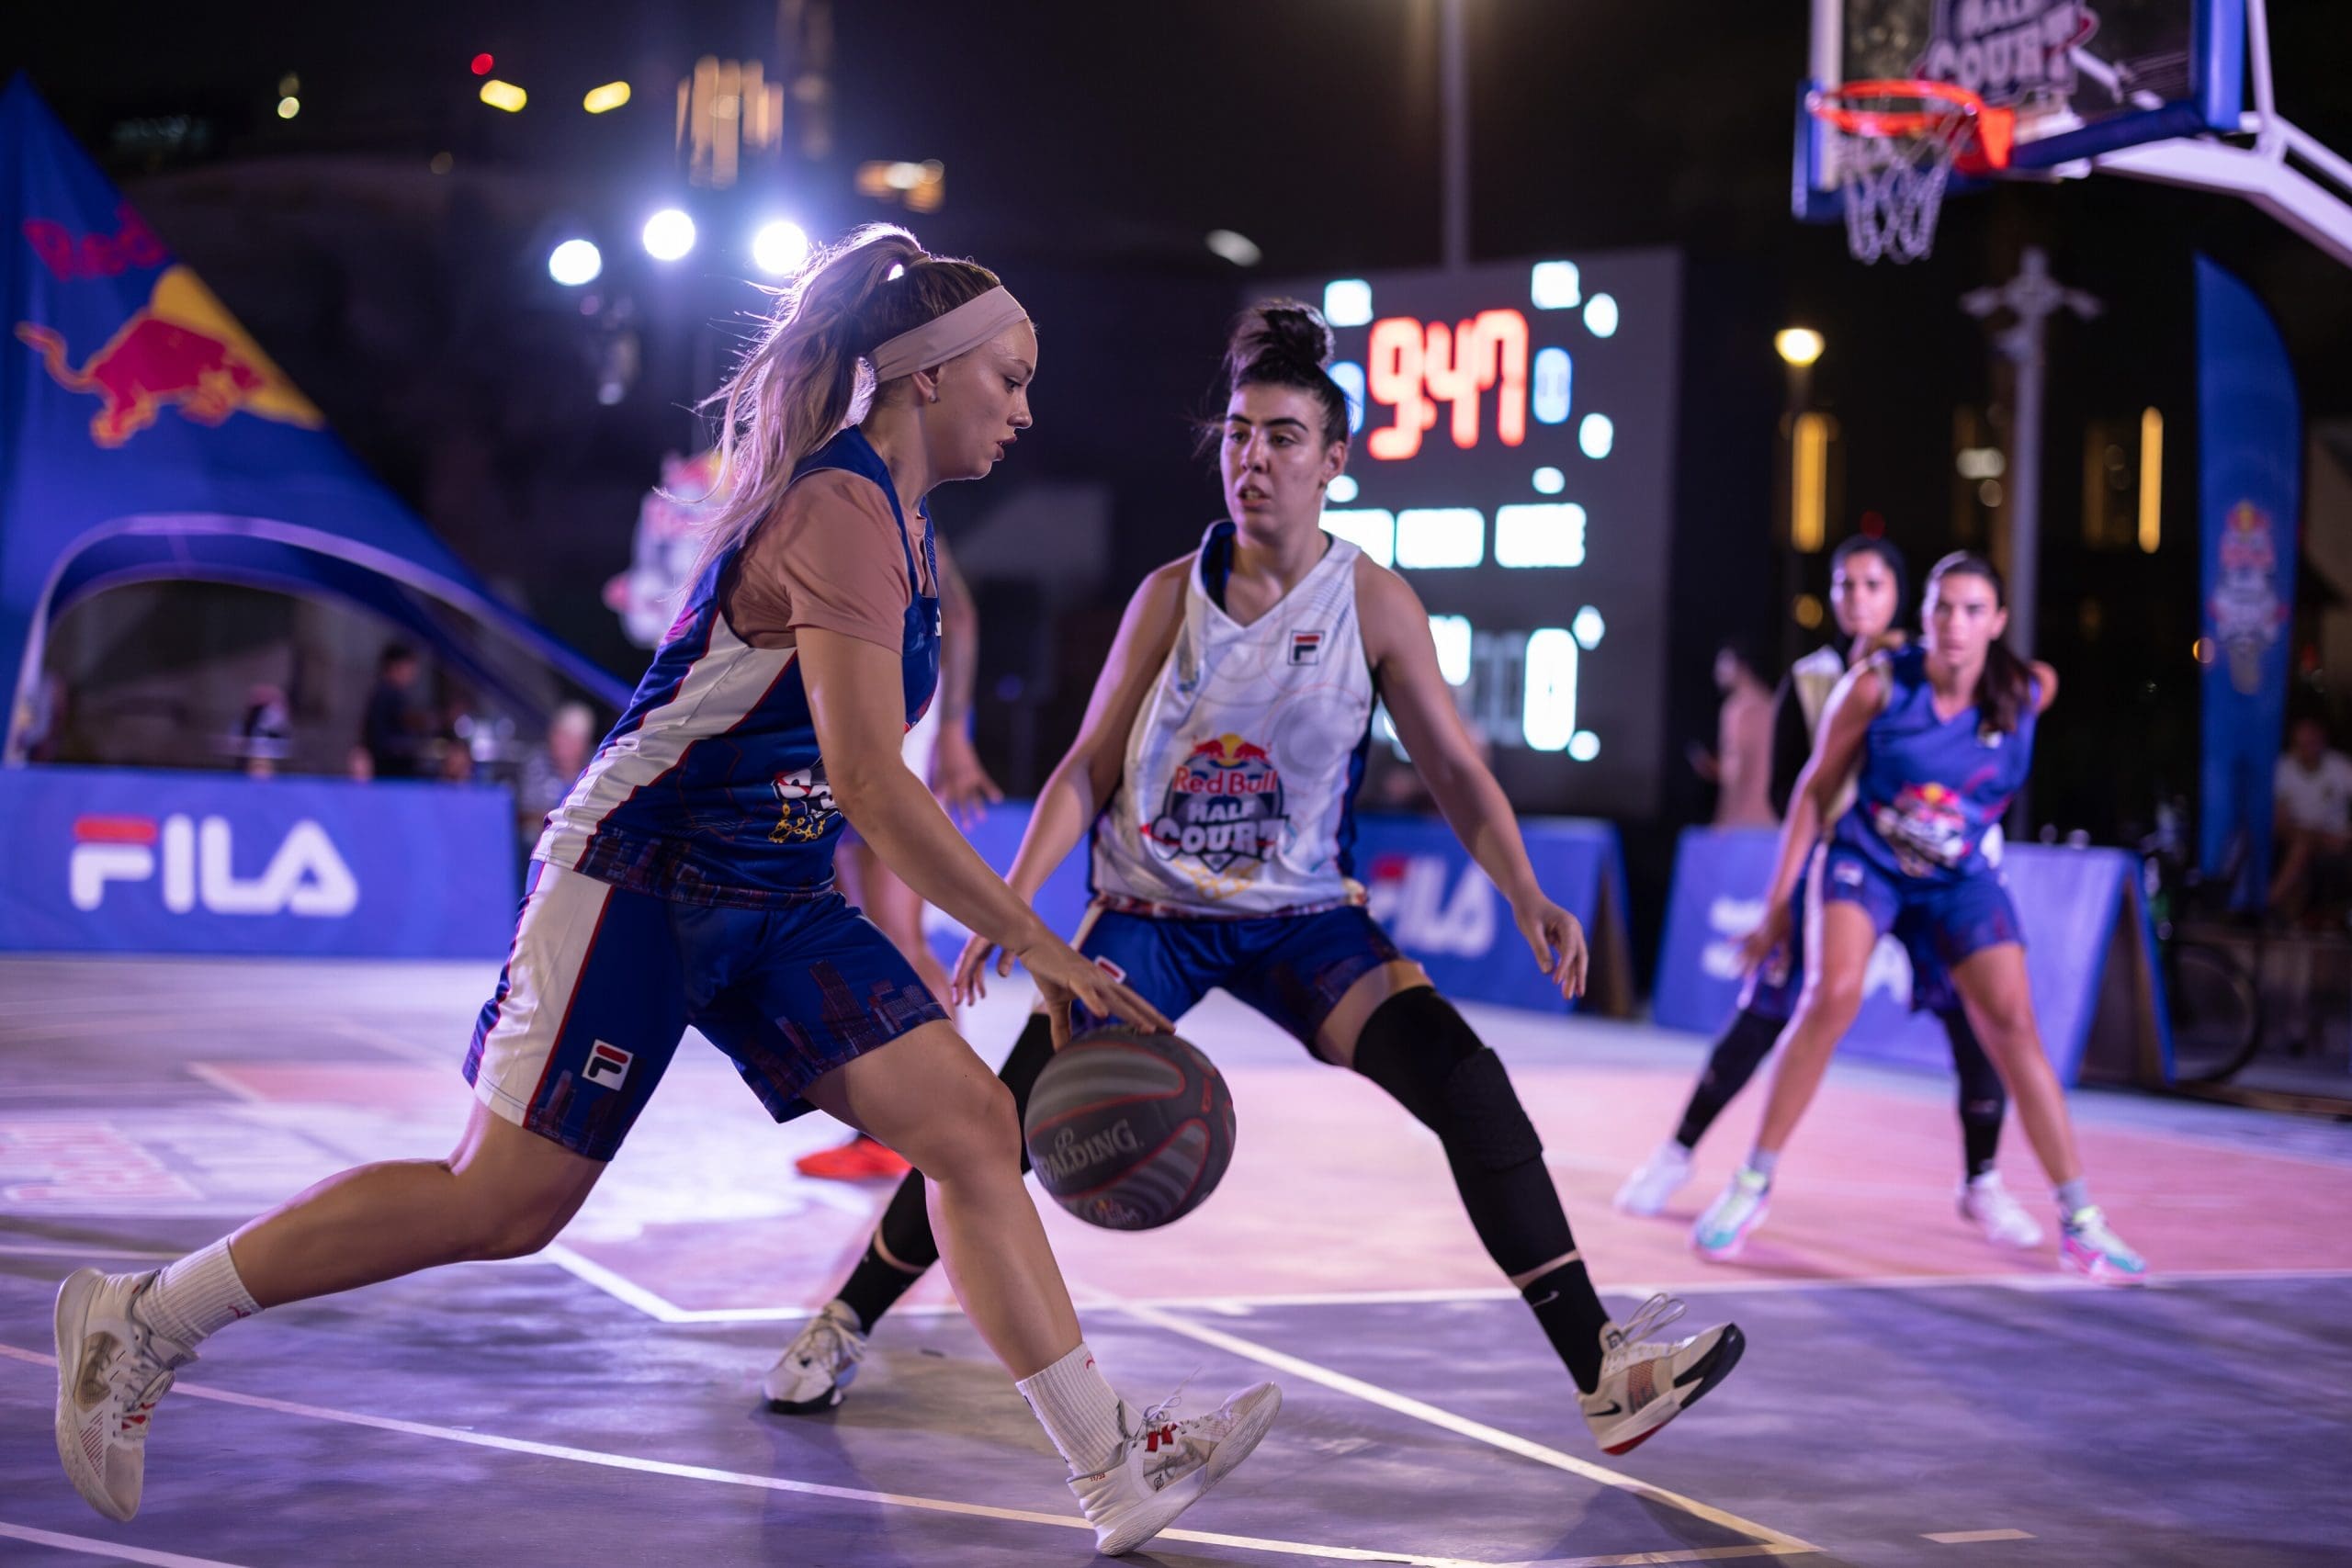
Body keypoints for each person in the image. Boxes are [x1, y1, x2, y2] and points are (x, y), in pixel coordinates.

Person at [51, 224, 1278, 1557]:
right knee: (503, 1203)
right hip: (643, 870)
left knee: (975, 1128)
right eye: (1012, 378)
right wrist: (1035, 938)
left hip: (776, 887)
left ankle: (1108, 1461)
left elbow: (854, 784)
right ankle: (146, 1317)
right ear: (928, 373)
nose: (1027, 410)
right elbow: (873, 782)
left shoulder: (911, 529)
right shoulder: (840, 509)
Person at [762, 300, 1745, 1456]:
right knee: (996, 1129)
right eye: (1237, 433)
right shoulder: (1168, 595)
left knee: (1467, 1084)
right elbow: (1084, 769)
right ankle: (842, 1319)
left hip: (1302, 920)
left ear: (1333, 461)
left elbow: (1454, 771)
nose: (1253, 458)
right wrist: (1018, 913)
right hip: (1152, 915)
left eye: (1282, 437)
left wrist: (1525, 890)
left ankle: (1603, 1370)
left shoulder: (1372, 601)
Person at [1687, 552, 2148, 1283]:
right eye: (1942, 608)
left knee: (2013, 1024)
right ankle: (1751, 1183)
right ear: (1924, 615)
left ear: (1997, 621)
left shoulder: (2026, 691)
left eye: (1973, 610)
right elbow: (1812, 790)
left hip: (1958, 877)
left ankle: (2080, 1221)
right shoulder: (1875, 686)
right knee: (1831, 994)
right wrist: (1779, 904)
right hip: (1867, 862)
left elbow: (2033, 696)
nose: (1955, 624)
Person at [1617, 536, 2038, 1250]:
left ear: (1902, 597)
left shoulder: (1941, 666)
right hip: (1847, 869)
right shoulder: (1816, 679)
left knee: (1977, 1020)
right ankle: (1679, 1152)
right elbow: (1794, 786)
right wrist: (1812, 863)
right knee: (1767, 1009)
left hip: (1937, 874)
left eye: (1873, 585)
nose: (1856, 598)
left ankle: (1983, 1180)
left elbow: (2001, 738)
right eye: (1844, 585)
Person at [799, 536, 1004, 1181]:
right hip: (857, 731)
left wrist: (953, 734)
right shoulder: (854, 504)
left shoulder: (887, 506)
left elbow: (959, 615)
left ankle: (949, 1117)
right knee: (873, 937)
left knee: (898, 938)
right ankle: (900, 1125)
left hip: (891, 735)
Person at [2268, 715, 2352, 917]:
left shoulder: (2341, 767)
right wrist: (2306, 834)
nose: (2307, 749)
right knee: (2303, 845)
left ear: (2322, 741)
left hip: (2333, 837)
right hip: (2295, 833)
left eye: (2312, 742)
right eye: (2301, 744)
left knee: (2303, 850)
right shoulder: (2284, 767)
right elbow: (2280, 819)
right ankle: (2270, 903)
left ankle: (2272, 907)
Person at [1690, 643, 1777, 829]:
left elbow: (1736, 771)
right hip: (1772, 819)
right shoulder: (1771, 703)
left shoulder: (1738, 709)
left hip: (1743, 820)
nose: (1717, 670)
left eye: (1723, 662)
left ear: (1741, 666)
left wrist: (1722, 819)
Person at [361, 643, 429, 779]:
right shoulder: (386, 695)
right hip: (390, 773)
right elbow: (379, 740)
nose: (414, 673)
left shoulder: (394, 694)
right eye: (409, 667)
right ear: (395, 666)